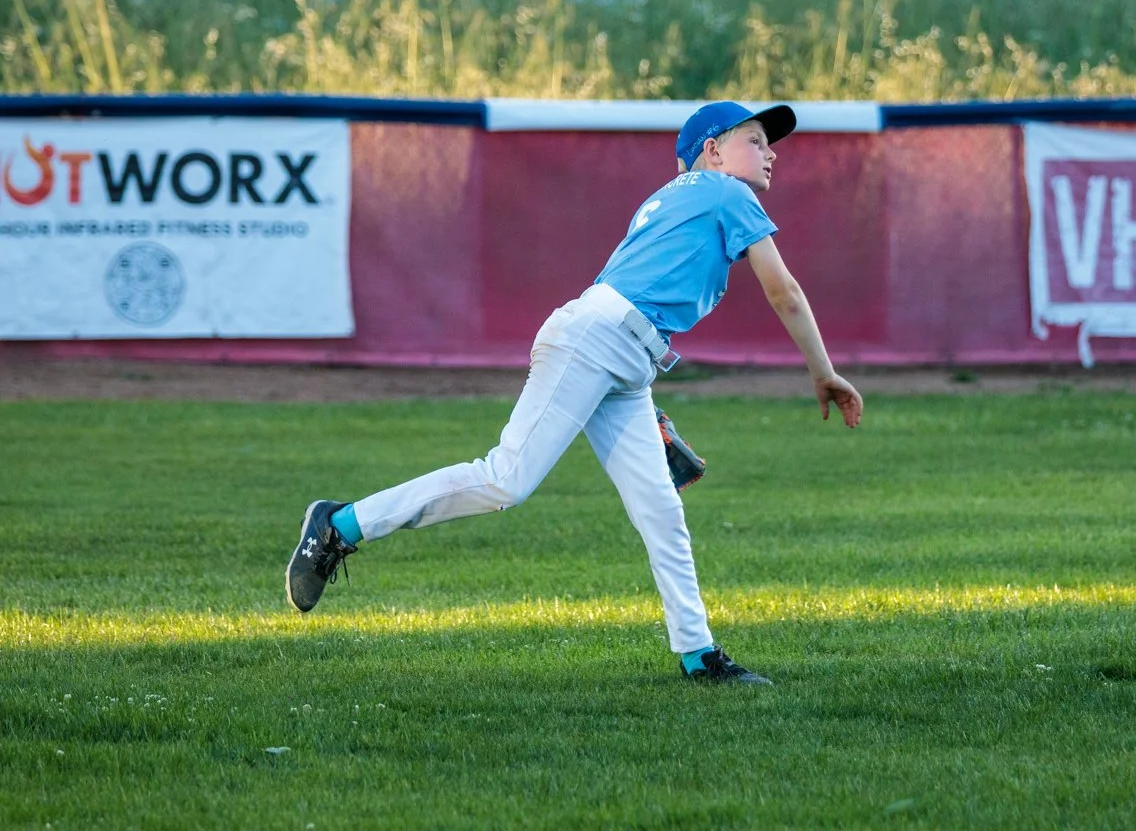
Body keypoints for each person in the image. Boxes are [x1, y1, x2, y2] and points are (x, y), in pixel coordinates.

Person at [284, 100, 864, 685]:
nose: (770, 153)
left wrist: (631, 379)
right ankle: (342, 523)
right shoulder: (728, 193)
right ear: (712, 152)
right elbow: (784, 290)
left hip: (620, 354)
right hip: (599, 341)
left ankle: (698, 654)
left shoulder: (680, 197)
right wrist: (823, 371)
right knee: (506, 479)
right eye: (755, 140)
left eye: (770, 144)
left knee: (661, 510)